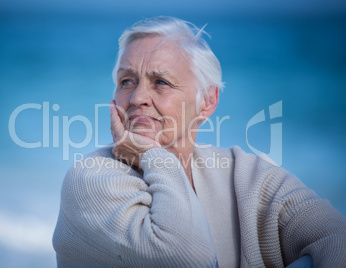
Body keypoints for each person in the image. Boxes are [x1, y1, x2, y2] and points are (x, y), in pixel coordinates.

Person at [52, 16, 346, 267]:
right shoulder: (89, 178)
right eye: (126, 81)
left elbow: (336, 238)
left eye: (161, 82)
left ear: (207, 101)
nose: (138, 98)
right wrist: (156, 156)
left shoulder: (246, 175)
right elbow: (189, 258)